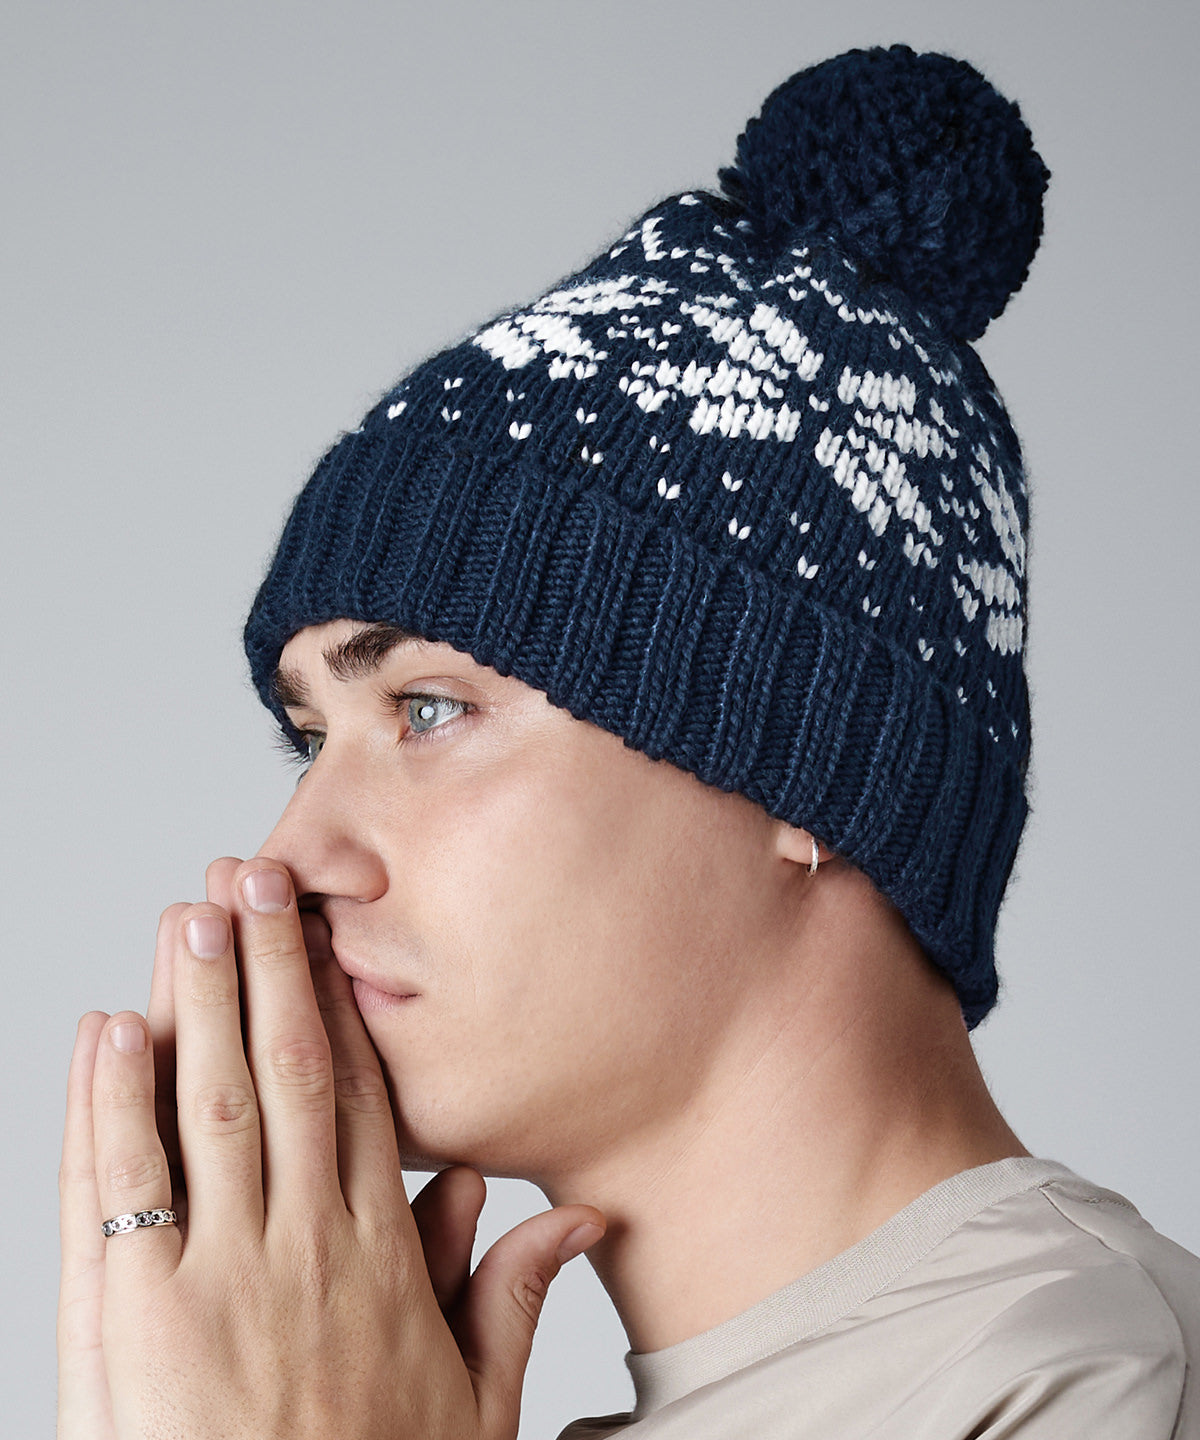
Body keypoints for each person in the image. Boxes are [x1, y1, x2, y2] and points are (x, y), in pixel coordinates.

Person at [57, 44, 1200, 1440]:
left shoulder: (1085, 1382)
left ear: (803, 771)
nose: (288, 860)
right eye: (309, 740)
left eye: (430, 709)